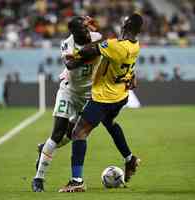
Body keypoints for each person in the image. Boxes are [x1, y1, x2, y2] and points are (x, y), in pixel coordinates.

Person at [58, 13, 143, 192]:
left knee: (79, 132)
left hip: (104, 98)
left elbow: (88, 52)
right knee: (110, 122)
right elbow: (115, 53)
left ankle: (77, 180)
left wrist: (78, 50)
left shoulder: (114, 46)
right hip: (121, 96)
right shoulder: (135, 46)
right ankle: (130, 159)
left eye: (123, 23)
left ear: (126, 26)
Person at [31, 16, 102, 192]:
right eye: (83, 29)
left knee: (73, 135)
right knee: (57, 133)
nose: (87, 31)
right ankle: (38, 178)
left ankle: (43, 149)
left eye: (87, 28)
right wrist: (90, 53)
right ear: (74, 32)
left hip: (87, 96)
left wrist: (91, 49)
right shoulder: (67, 43)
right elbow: (70, 64)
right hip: (68, 92)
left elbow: (103, 42)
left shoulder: (95, 37)